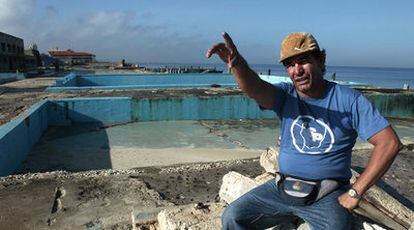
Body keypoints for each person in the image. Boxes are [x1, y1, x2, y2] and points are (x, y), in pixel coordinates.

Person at [206, 32, 401, 229]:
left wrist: (355, 192)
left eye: (303, 61)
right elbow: (254, 87)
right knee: (233, 217)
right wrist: (237, 62)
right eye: (290, 65)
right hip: (280, 190)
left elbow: (389, 143)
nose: (297, 70)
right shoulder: (285, 96)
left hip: (326, 195)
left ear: (320, 61)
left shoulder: (349, 100)